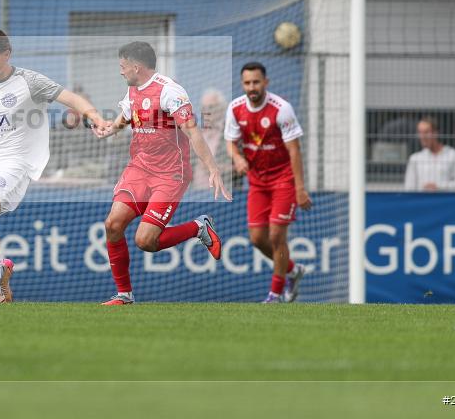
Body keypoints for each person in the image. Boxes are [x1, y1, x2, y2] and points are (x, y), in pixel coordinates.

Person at [0, 29, 107, 304]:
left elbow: (71, 98)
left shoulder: (29, 81)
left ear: (6, 54)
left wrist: (95, 116)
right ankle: (2, 274)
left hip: (14, 162)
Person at [95, 42, 232, 305]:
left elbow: (192, 130)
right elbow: (127, 114)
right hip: (139, 168)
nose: (120, 72)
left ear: (136, 67)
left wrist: (213, 168)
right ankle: (124, 294)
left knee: (145, 241)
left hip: (170, 174)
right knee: (112, 224)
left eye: (123, 67)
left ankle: (198, 227)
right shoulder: (133, 89)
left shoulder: (170, 91)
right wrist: (110, 129)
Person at [225, 62, 310, 303]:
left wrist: (300, 188)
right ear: (243, 84)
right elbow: (230, 142)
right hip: (257, 181)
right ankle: (293, 270)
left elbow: (295, 151)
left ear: (266, 83)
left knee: (276, 237)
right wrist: (238, 158)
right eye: (247, 83)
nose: (252, 87)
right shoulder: (235, 108)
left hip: (283, 179)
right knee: (256, 239)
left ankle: (275, 294)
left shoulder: (282, 109)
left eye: (256, 82)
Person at [403, 116, 455, 191]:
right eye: (420, 132)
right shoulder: (415, 158)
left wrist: (439, 187)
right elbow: (409, 188)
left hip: (446, 201)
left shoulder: (453, 155)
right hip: (422, 201)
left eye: (426, 132)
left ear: (435, 133)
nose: (422, 136)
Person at [192, 88, 228, 189]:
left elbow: (240, 168)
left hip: (223, 193)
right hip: (195, 194)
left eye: (211, 107)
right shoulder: (195, 134)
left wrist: (212, 167)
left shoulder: (230, 133)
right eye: (204, 108)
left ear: (222, 108)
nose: (207, 112)